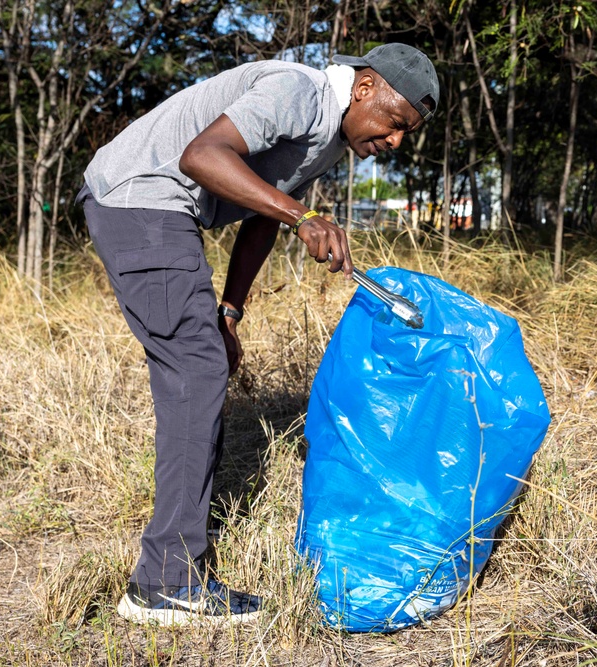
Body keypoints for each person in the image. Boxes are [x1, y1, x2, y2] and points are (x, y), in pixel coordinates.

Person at [76, 43, 439, 626]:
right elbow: (202, 156)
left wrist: (230, 312)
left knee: (200, 364)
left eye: (406, 134)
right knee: (195, 372)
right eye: (395, 124)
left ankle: (165, 577)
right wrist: (303, 217)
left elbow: (263, 215)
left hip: (159, 210)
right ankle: (168, 582)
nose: (395, 142)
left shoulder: (328, 140)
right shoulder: (300, 92)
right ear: (366, 88)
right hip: (141, 200)